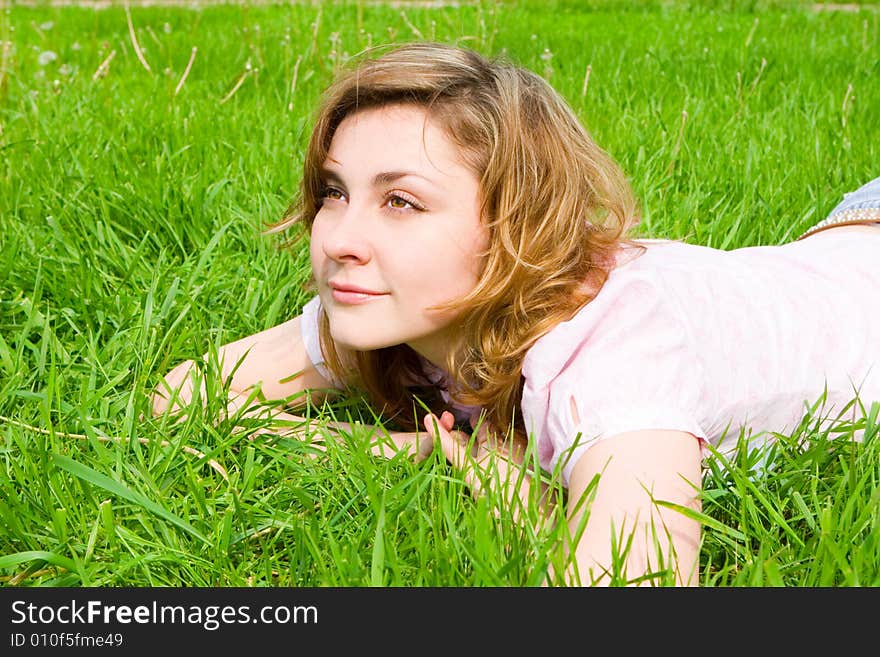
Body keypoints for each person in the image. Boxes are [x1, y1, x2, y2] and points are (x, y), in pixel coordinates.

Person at [150, 42, 880, 586]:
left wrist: (517, 500)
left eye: (401, 201)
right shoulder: (391, 300)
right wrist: (413, 450)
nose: (339, 239)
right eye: (337, 191)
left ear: (513, 229)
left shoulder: (617, 345)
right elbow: (185, 397)